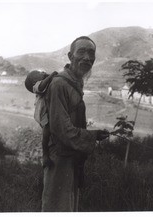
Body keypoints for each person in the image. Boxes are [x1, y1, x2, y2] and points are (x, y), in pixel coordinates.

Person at [41, 36, 109, 212]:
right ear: (70, 56)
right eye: (82, 52)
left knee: (69, 205)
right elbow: (61, 129)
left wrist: (94, 135)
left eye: (91, 53)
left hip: (72, 157)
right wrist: (92, 136)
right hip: (60, 160)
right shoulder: (59, 84)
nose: (87, 57)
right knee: (57, 206)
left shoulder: (76, 83)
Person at [25, 70, 58, 168]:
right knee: (46, 132)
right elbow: (41, 86)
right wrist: (51, 75)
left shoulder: (47, 82)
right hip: (42, 113)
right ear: (34, 81)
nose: (42, 72)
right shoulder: (37, 86)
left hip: (46, 111)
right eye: (39, 73)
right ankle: (45, 156)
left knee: (50, 133)